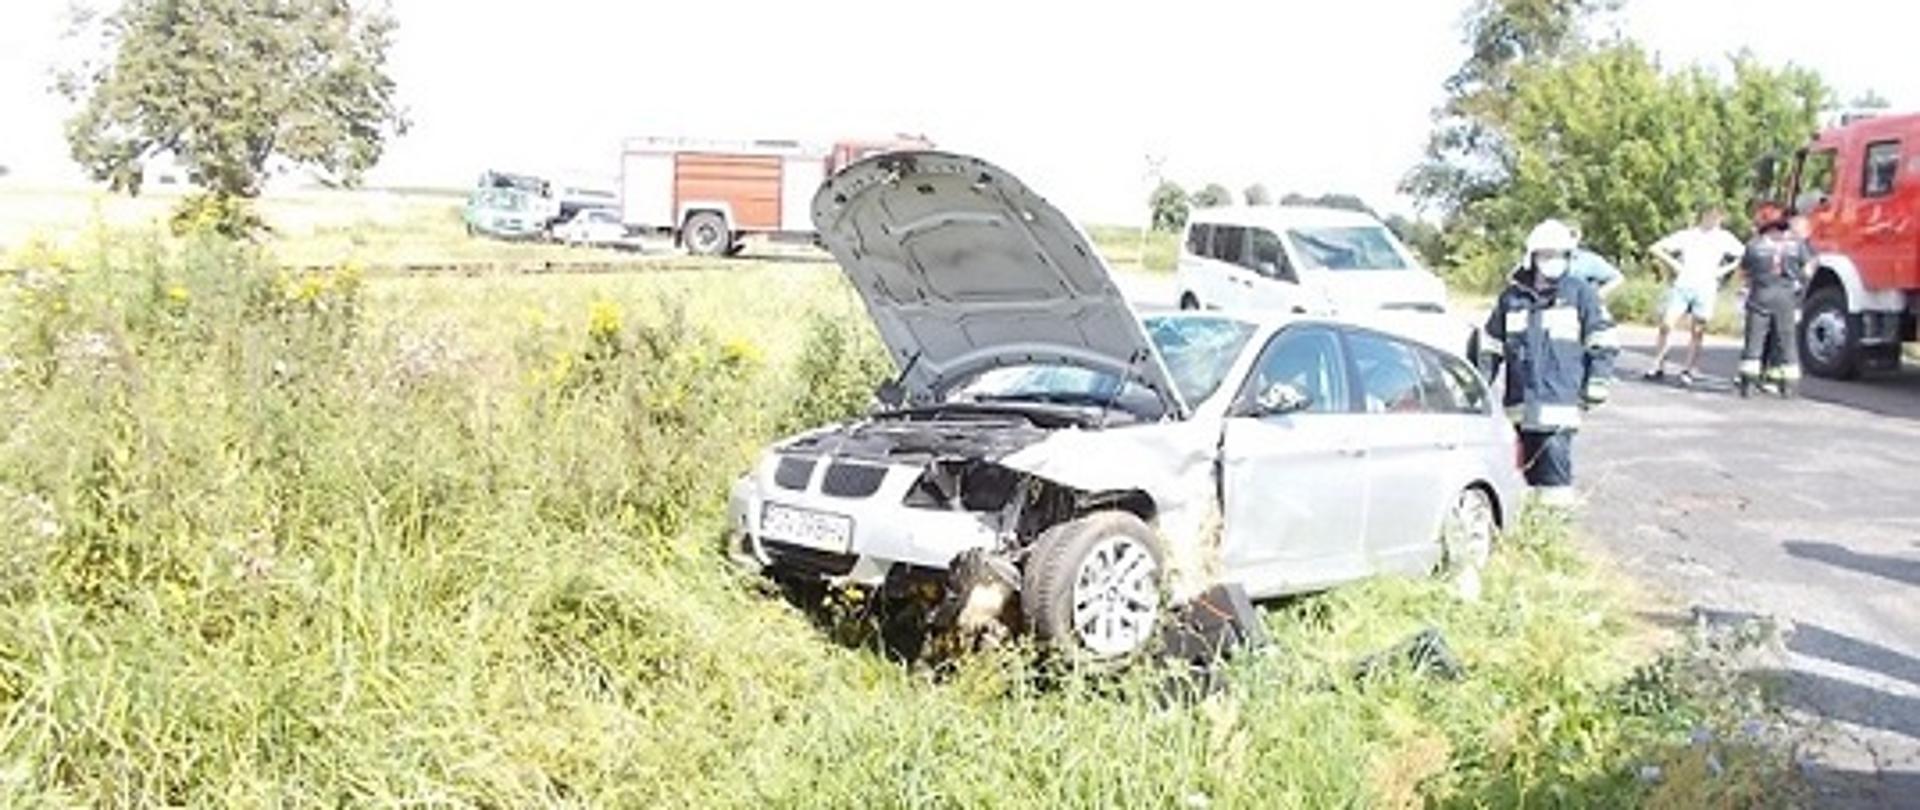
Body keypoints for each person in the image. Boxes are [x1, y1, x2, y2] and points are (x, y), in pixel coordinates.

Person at [1481, 219, 1619, 507]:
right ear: (1532, 256)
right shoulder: (1512, 298)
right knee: (1522, 477)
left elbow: (1603, 340)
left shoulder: (1580, 293)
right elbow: (1490, 347)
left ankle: (1554, 528)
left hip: (1560, 404)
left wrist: (1598, 381)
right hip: (1520, 407)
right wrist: (1478, 386)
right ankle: (1529, 527)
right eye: (1546, 254)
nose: (1553, 261)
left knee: (1555, 477)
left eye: (1560, 255)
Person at [1644, 207, 1745, 385]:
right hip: (1683, 285)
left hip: (1705, 287)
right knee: (1667, 324)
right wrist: (1675, 264)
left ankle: (1687, 369)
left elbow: (1745, 255)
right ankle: (1657, 364)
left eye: (1717, 218)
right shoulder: (1689, 235)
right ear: (1703, 217)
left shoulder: (1724, 238)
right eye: (1710, 217)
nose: (1713, 221)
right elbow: (1656, 248)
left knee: (1697, 330)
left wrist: (1724, 270)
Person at [1737, 212, 1812, 398]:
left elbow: (1743, 273)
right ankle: (1789, 387)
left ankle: (1748, 386)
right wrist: (1797, 281)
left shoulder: (1754, 246)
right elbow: (1808, 271)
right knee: (1786, 340)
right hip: (1786, 297)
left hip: (1760, 295)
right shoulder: (1796, 247)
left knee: (1754, 340)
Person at [1567, 224, 1624, 299]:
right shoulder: (1549, 260)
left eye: (1573, 235)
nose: (1570, 239)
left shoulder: (1588, 259)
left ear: (1579, 237)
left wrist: (1599, 294)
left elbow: (1617, 277)